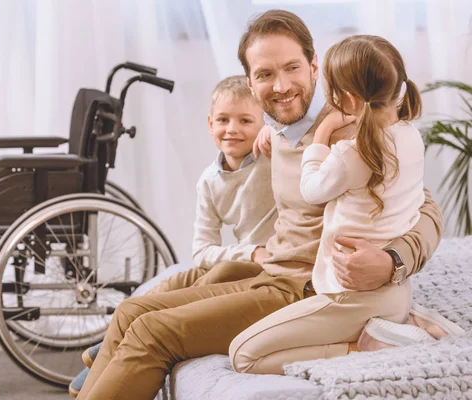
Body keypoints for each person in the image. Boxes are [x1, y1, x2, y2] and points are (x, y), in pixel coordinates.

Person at [74, 10, 443, 400]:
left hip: (306, 289)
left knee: (152, 331)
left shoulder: (352, 129)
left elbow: (426, 208)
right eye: (265, 75)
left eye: (292, 68)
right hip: (273, 273)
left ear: (314, 67)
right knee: (134, 312)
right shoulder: (278, 130)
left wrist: (392, 261)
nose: (281, 86)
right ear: (250, 83)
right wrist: (268, 132)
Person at [228, 34, 464, 375]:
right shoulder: (410, 136)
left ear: (348, 99)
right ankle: (405, 320)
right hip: (395, 290)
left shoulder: (352, 154)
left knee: (242, 355)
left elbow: (311, 190)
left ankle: (369, 345)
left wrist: (323, 133)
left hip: (350, 294)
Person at [69, 75, 272, 397]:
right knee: (179, 281)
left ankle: (110, 348)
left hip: (268, 265)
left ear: (264, 125)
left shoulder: (270, 161)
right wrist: (249, 252)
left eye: (245, 120)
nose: (232, 129)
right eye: (223, 120)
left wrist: (274, 134)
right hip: (249, 257)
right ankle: (109, 350)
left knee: (219, 272)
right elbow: (202, 249)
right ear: (210, 124)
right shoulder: (209, 180)